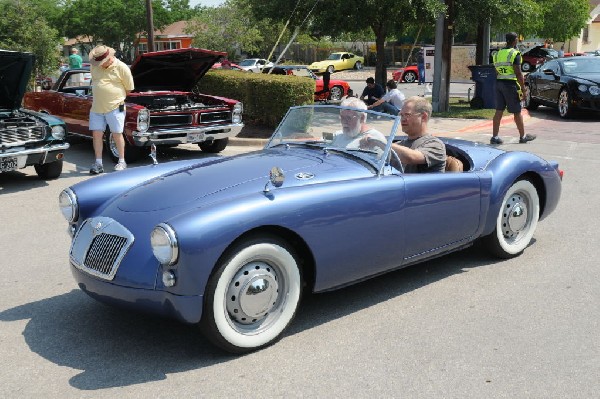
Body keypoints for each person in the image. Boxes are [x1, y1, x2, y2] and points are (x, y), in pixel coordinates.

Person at [365, 96, 445, 173]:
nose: (402, 119)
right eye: (401, 115)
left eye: (407, 115)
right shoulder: (400, 144)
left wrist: (381, 141)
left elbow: (411, 157)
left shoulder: (435, 144)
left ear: (423, 117)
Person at [87, 45, 135, 174]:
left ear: (110, 58)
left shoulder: (122, 67)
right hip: (97, 106)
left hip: (115, 106)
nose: (100, 64)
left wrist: (115, 97)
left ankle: (121, 161)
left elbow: (129, 88)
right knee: (96, 134)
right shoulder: (94, 66)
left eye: (102, 62)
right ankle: (98, 163)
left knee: (116, 134)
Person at [490, 32, 536, 145]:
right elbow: (519, 73)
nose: (518, 41)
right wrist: (523, 90)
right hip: (510, 85)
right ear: (514, 40)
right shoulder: (515, 54)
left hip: (499, 83)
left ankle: (494, 137)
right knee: (517, 111)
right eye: (517, 39)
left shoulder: (497, 53)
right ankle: (523, 136)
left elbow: (496, 70)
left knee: (499, 111)